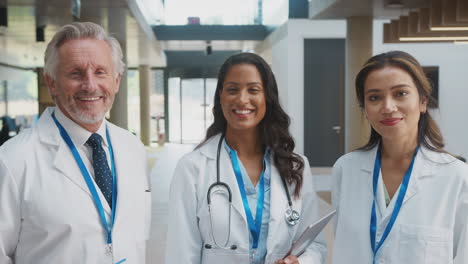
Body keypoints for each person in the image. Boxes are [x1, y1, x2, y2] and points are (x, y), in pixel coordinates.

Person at [0, 22, 151, 263]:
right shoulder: (12, 160)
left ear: (117, 81)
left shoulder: (132, 148)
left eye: (100, 72)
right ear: (51, 83)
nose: (90, 85)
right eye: (75, 73)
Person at [165, 53, 326, 264]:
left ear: (267, 97)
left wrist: (301, 262)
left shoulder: (296, 166)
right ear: (220, 96)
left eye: (253, 90)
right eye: (232, 90)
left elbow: (315, 245)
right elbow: (180, 253)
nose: (242, 99)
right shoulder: (193, 167)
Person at [331, 51, 468, 264]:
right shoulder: (346, 169)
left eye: (400, 93)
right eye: (374, 97)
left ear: (423, 102)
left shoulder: (457, 177)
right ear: (365, 109)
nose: (388, 107)